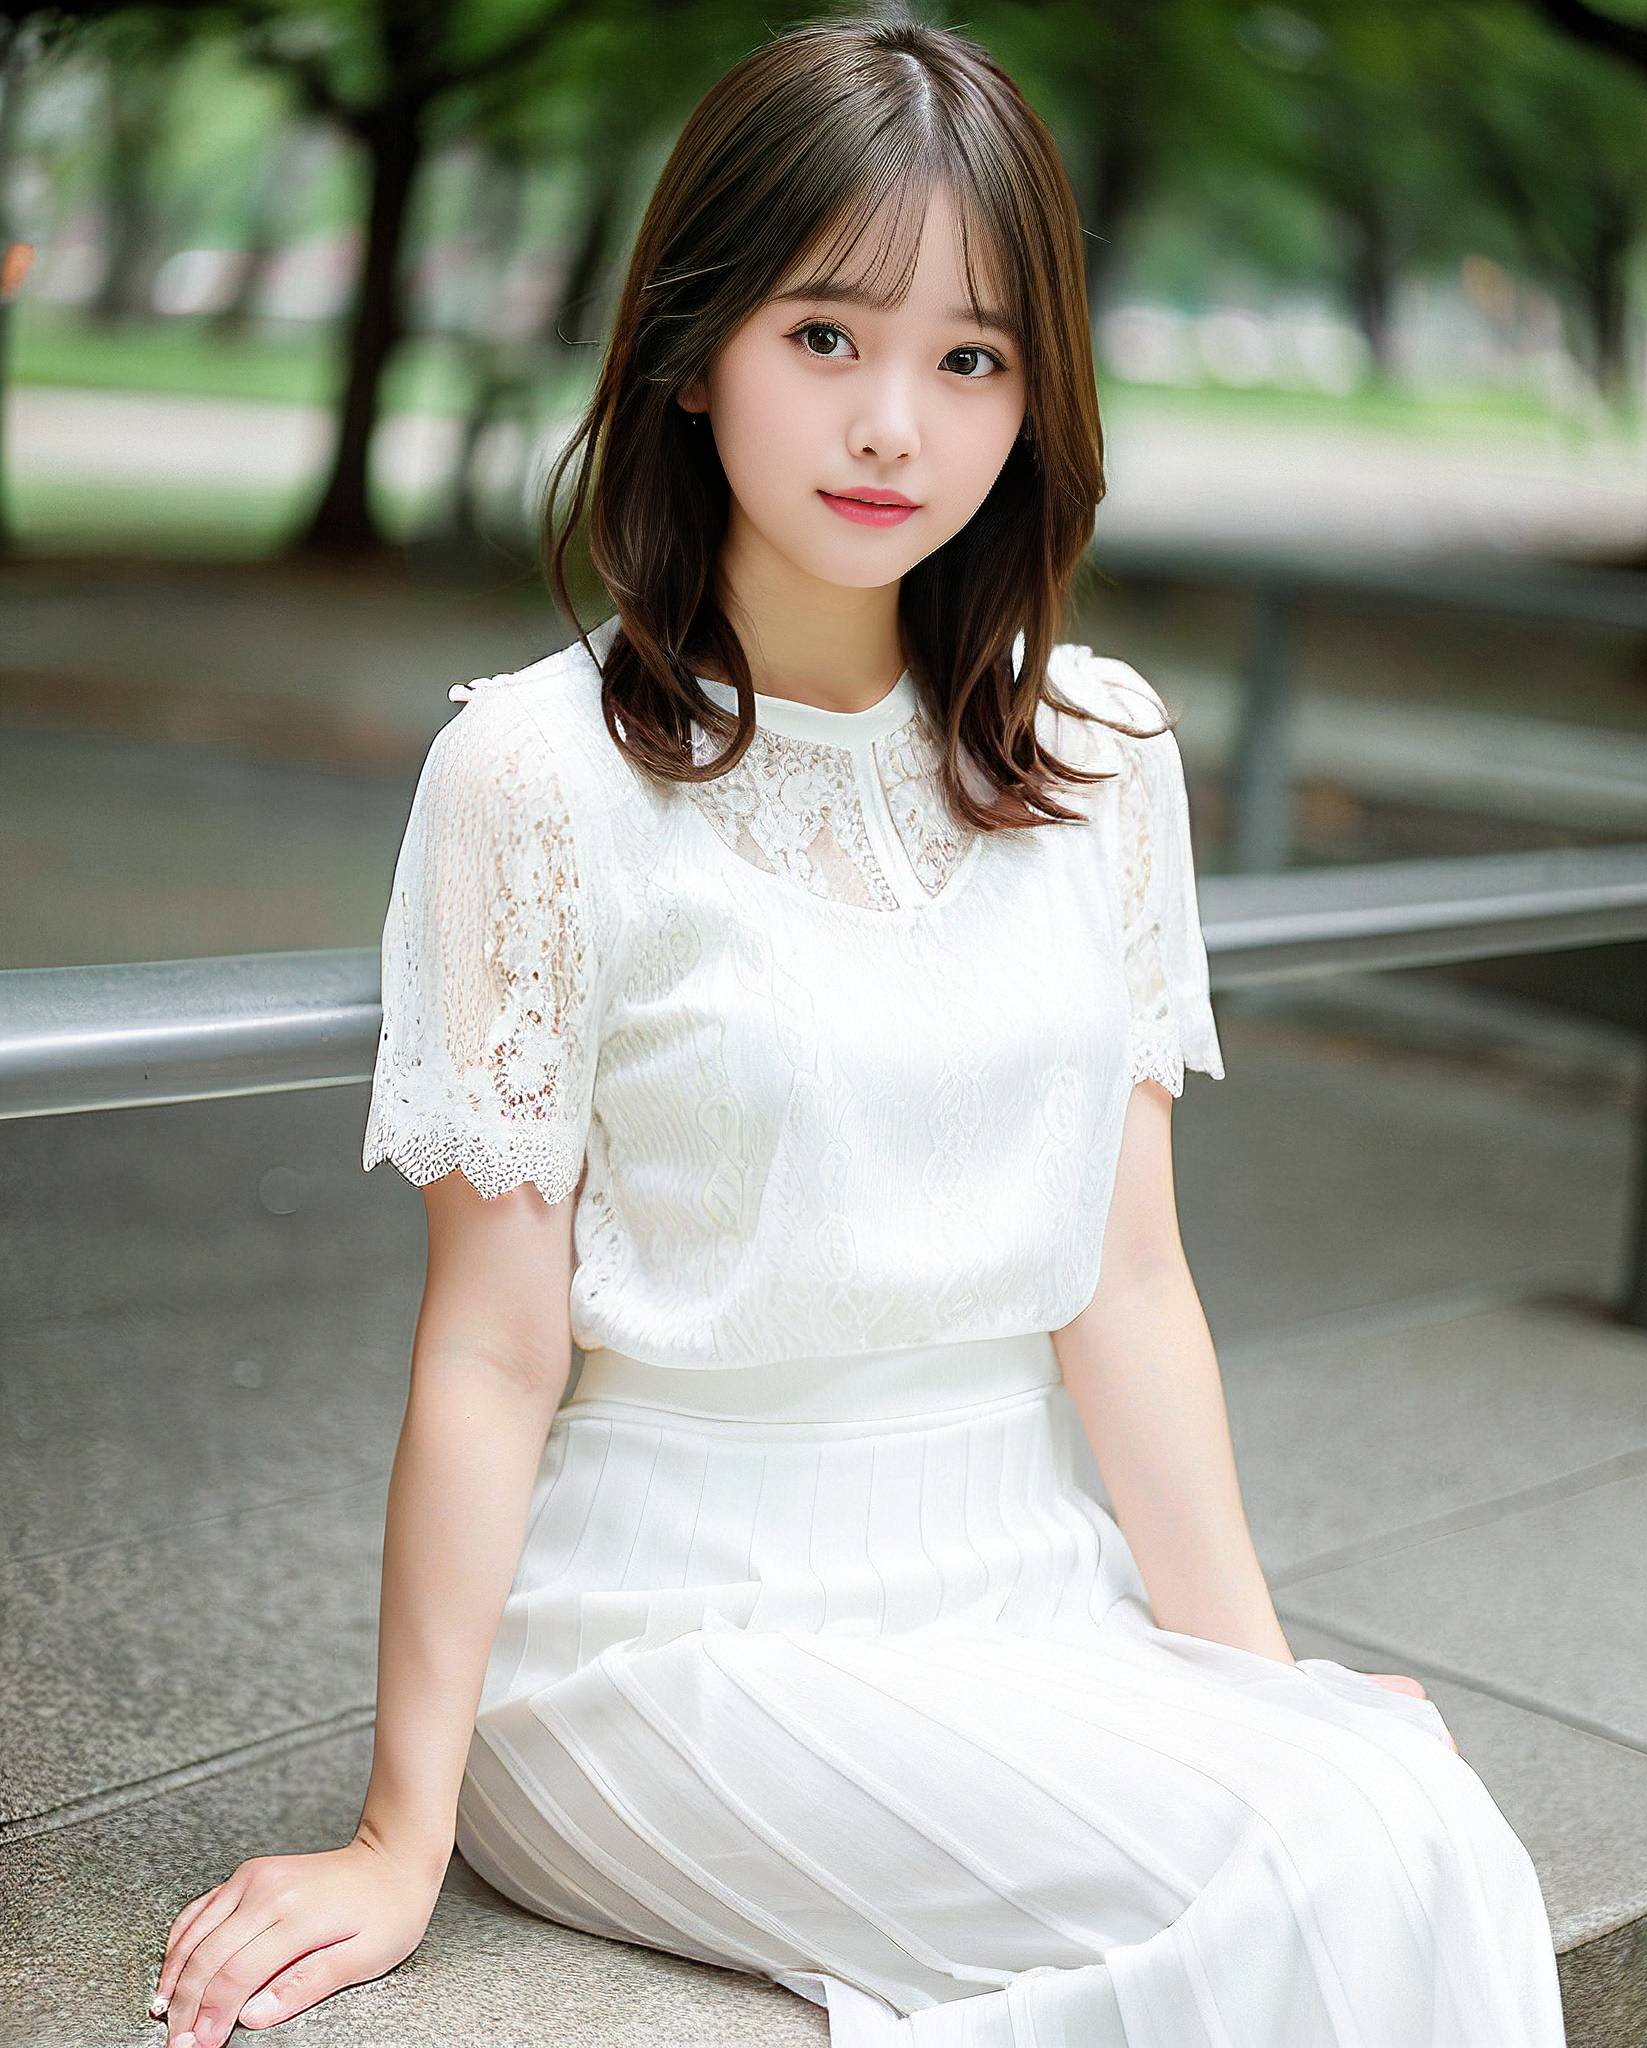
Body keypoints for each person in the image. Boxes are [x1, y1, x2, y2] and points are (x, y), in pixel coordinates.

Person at [150, 15, 1568, 2046]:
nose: (893, 422)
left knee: (1404, 1818)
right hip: (664, 1629)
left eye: (970, 356)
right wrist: (400, 1828)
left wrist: (1257, 1684)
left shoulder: (1103, 754)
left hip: (1017, 1580)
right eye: (826, 335)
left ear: (1035, 395)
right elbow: (489, 1337)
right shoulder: (536, 780)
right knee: (1350, 1864)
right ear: (690, 345)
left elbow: (1133, 1285)